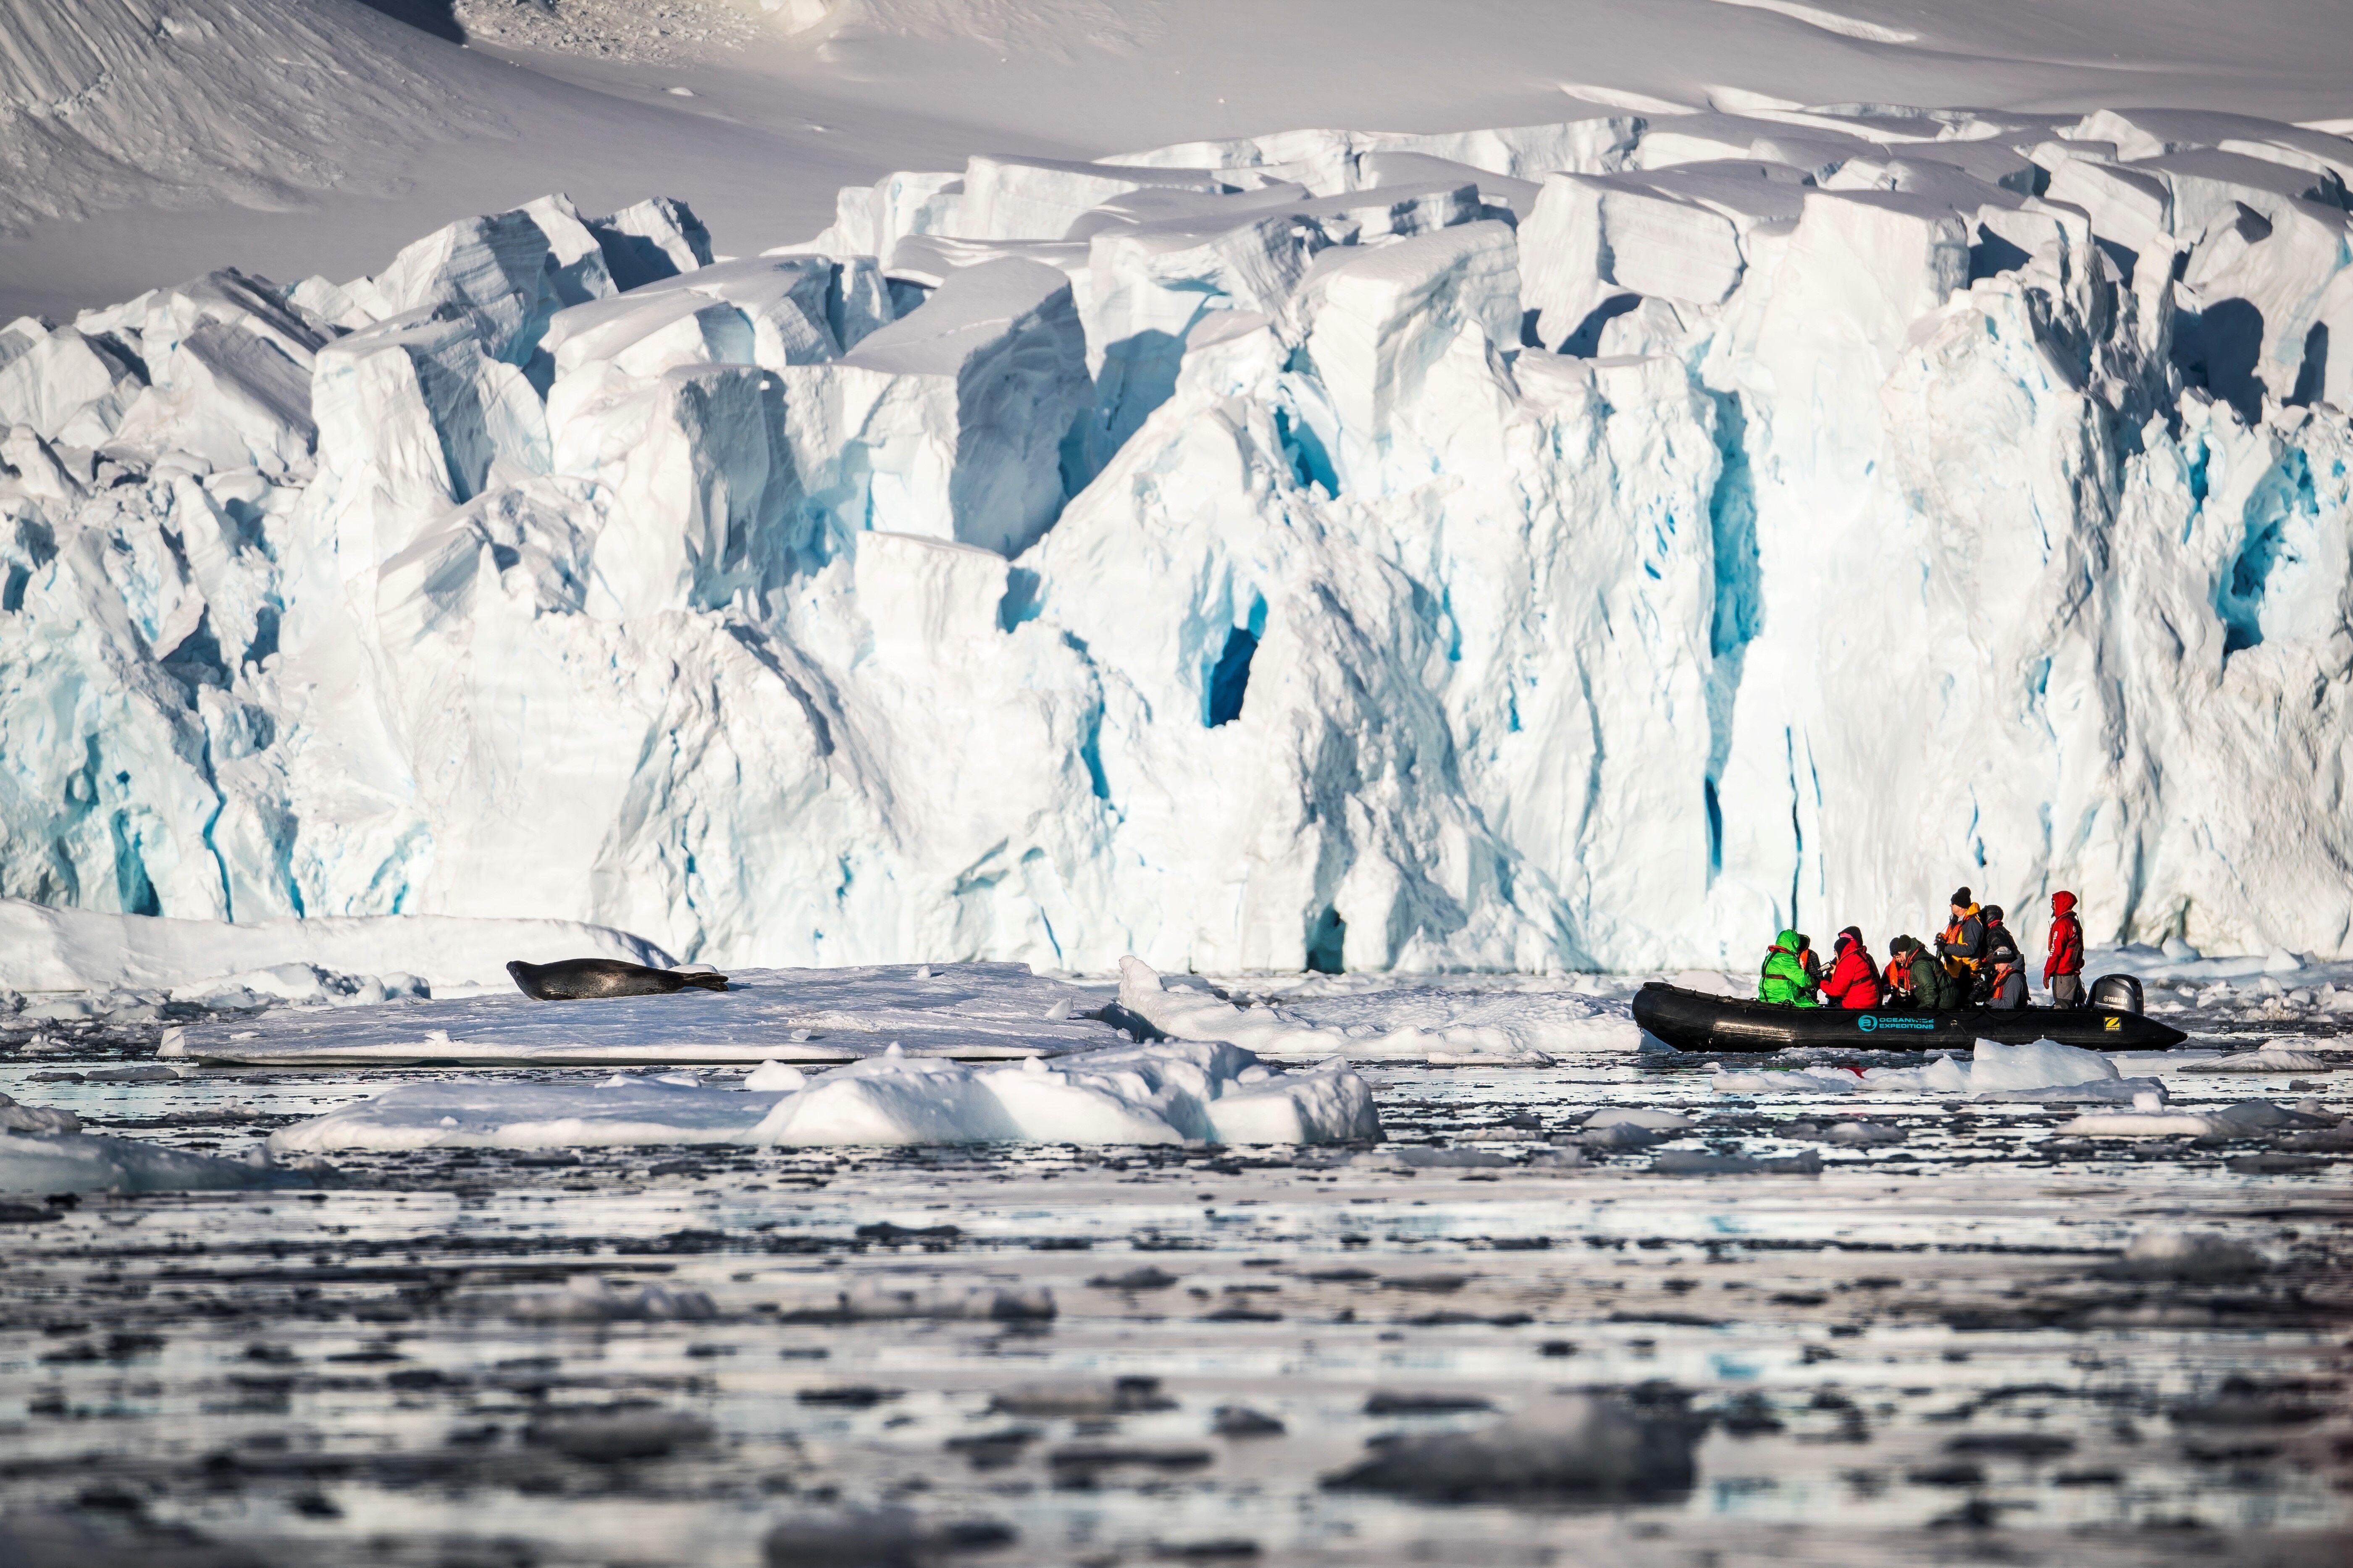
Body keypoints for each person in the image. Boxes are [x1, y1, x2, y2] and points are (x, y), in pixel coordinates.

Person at [1883, 935, 1959, 1012]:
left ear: (1905, 951)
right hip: (1941, 998)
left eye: (1901, 954)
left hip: (1943, 1001)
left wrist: (1925, 1009)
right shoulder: (1918, 957)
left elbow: (1930, 987)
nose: (1901, 958)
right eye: (1897, 957)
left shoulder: (1919, 964)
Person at [1819, 926, 1881, 1009]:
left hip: (1859, 1004)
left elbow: (1837, 990)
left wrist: (1822, 983)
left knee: (1835, 1012)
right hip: (1873, 1000)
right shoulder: (1865, 956)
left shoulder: (1849, 960)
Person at [1757, 929, 1822, 1007]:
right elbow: (1802, 979)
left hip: (1767, 997)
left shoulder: (1770, 956)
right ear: (1794, 943)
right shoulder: (1786, 958)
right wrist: (1814, 983)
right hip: (1783, 997)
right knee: (1809, 1004)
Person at [1939, 887, 1987, 991]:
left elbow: (1970, 948)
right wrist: (1942, 940)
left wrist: (1946, 947)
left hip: (1966, 974)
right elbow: (1955, 940)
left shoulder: (1972, 923)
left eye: (1953, 903)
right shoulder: (1957, 921)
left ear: (1960, 907)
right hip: (1956, 972)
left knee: (1962, 1004)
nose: (1951, 905)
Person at [2045, 890, 2086, 1007]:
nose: (2052, 906)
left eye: (2054, 903)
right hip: (2073, 974)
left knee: (2063, 1006)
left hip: (2064, 975)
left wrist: (2047, 972)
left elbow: (2055, 951)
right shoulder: (2074, 922)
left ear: (2062, 904)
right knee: (2072, 1006)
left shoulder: (2063, 924)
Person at [1985, 940, 2029, 1009]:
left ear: (2006, 962)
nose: (1996, 968)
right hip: (2003, 1016)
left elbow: (2009, 1006)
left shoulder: (2014, 978)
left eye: (1998, 964)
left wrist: (1987, 1000)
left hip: (2011, 1017)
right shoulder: (2007, 976)